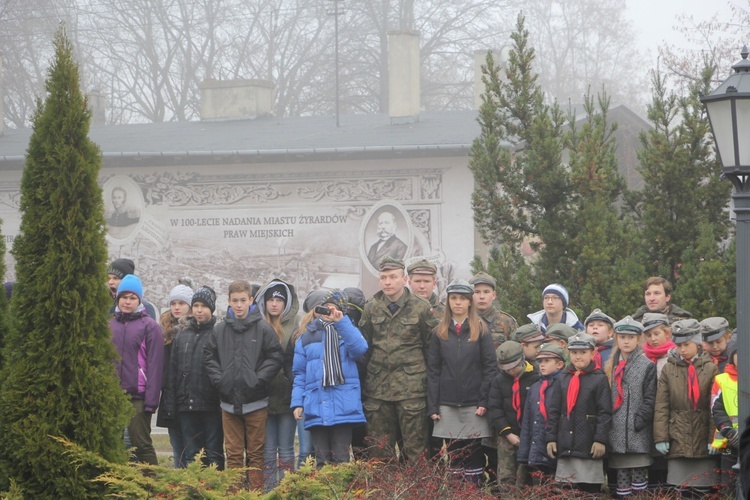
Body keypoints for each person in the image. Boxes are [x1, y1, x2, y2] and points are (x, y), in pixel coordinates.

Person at [204, 280, 284, 491]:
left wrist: (257, 380)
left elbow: (275, 356)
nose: (239, 305)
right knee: (234, 454)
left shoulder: (263, 328)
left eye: (243, 300)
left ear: (251, 300)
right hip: (228, 404)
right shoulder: (219, 329)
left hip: (256, 403)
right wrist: (220, 380)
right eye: (234, 301)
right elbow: (209, 357)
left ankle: (255, 494)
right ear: (228, 301)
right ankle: (235, 494)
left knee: (256, 455)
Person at [359, 257, 440, 461]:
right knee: (380, 451)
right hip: (378, 391)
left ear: (404, 279)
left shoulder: (421, 308)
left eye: (393, 277)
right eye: (383, 277)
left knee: (416, 450)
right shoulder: (371, 307)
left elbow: (431, 349)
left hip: (411, 390)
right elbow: (364, 348)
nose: (388, 282)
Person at [427, 279, 497, 484]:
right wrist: (433, 405)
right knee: (455, 456)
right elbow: (433, 371)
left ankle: (473, 493)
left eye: (463, 298)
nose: (458, 302)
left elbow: (490, 368)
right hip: (446, 405)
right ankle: (457, 493)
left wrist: (484, 401)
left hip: (474, 405)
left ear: (470, 302)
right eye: (454, 298)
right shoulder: (439, 332)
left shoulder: (481, 330)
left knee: (473, 455)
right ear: (448, 302)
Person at [291, 289, 368, 465]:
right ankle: (324, 492)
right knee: (322, 459)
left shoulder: (347, 333)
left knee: (341, 458)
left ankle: (342, 492)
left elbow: (360, 348)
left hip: (344, 406)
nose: (328, 312)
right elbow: (299, 374)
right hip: (316, 403)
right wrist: (297, 402)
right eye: (325, 308)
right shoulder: (305, 338)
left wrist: (342, 322)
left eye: (333, 308)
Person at [653, 319, 719, 496]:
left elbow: (715, 406)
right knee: (680, 489)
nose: (682, 349)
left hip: (702, 434)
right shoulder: (669, 368)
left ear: (697, 343)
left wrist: (715, 436)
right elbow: (662, 404)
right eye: (678, 345)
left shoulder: (711, 368)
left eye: (686, 344)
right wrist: (661, 436)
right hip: (677, 436)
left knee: (702, 489)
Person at [545, 332, 611, 494]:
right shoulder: (562, 378)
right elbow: (553, 411)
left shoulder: (599, 378)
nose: (578, 357)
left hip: (588, 445)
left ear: (593, 353)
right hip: (565, 444)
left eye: (583, 352)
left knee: (589, 491)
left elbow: (605, 412)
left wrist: (600, 439)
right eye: (574, 353)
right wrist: (551, 438)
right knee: (567, 490)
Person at [109, 274, 164, 465]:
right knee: (114, 445)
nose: (127, 301)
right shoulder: (110, 325)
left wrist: (151, 402)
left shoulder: (150, 326)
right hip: (114, 395)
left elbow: (156, 367)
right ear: (118, 299)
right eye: (124, 297)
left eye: (133, 298)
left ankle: (153, 487)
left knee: (141, 445)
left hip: (138, 396)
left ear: (139, 300)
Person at [167, 286, 224, 469]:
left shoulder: (218, 333)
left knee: (214, 452)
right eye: (196, 306)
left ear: (211, 309)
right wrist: (172, 403)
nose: (199, 310)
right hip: (186, 405)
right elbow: (173, 372)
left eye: (204, 306)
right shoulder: (182, 336)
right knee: (191, 454)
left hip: (211, 405)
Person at [255, 279, 299, 490]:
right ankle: (269, 490)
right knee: (268, 450)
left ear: (286, 303)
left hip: (287, 395)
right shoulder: (257, 324)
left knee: (287, 449)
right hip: (262, 396)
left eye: (278, 300)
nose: (274, 304)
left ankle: (287, 490)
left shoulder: (296, 325)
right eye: (270, 299)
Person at [605, 316, 656, 498]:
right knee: (621, 479)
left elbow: (650, 398)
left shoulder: (647, 365)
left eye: (631, 337)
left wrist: (639, 421)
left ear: (638, 339)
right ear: (616, 339)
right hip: (616, 432)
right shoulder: (610, 366)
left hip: (638, 431)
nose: (626, 341)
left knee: (639, 479)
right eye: (622, 337)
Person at [285, 290, 328, 468]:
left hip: (327, 398)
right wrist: (300, 385)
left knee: (325, 451)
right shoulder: (299, 335)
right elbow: (290, 365)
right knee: (305, 449)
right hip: (307, 396)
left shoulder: (335, 330)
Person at [487, 341, 539, 488]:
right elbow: (495, 408)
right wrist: (508, 433)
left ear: (522, 360)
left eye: (513, 367)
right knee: (506, 475)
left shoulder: (536, 376)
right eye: (506, 368)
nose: (510, 371)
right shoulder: (498, 380)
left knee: (530, 475)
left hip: (530, 435)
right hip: (507, 434)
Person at [156, 283, 194, 468]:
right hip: (171, 396)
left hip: (190, 398)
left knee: (192, 448)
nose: (177, 307)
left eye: (181, 303)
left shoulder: (195, 329)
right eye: (173, 303)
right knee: (177, 448)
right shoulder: (164, 332)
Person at [518, 343, 566, 485]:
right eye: (540, 361)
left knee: (556, 488)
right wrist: (524, 453)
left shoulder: (565, 385)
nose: (542, 365)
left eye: (547, 361)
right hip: (536, 448)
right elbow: (527, 421)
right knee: (538, 488)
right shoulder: (534, 388)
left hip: (555, 449)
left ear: (560, 364)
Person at [710, 345, 739, 488]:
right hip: (729, 441)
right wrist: (727, 429)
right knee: (729, 485)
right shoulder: (722, 379)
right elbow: (716, 409)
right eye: (738, 353)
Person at [469, 272, 518, 347]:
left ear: (493, 295)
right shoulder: (463, 320)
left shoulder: (507, 322)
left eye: (486, 292)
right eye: (477, 292)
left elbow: (516, 351)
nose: (482, 296)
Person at [641, 313, 674, 378]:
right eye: (649, 335)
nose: (653, 339)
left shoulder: (676, 356)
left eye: (656, 334)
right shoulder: (641, 359)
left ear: (667, 333)